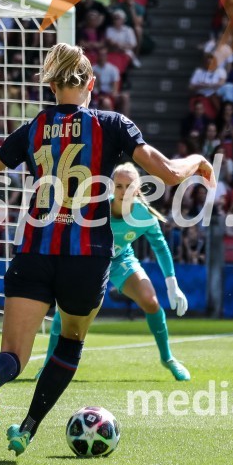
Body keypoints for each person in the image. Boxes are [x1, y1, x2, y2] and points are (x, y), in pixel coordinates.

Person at [0, 43, 214, 456]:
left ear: (50, 86)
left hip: (35, 251)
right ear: (90, 83)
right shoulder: (112, 123)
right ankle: (27, 429)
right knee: (70, 341)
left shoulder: (33, 127)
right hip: (86, 259)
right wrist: (200, 161)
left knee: (13, 354)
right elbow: (170, 174)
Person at [38, 163, 192, 382]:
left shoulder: (144, 215)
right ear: (110, 187)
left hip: (120, 260)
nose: (123, 191)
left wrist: (172, 284)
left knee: (150, 301)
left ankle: (167, 358)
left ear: (138, 189)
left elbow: (160, 246)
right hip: (90, 261)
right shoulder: (95, 208)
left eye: (129, 186)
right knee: (67, 308)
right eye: (118, 186)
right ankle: (47, 364)